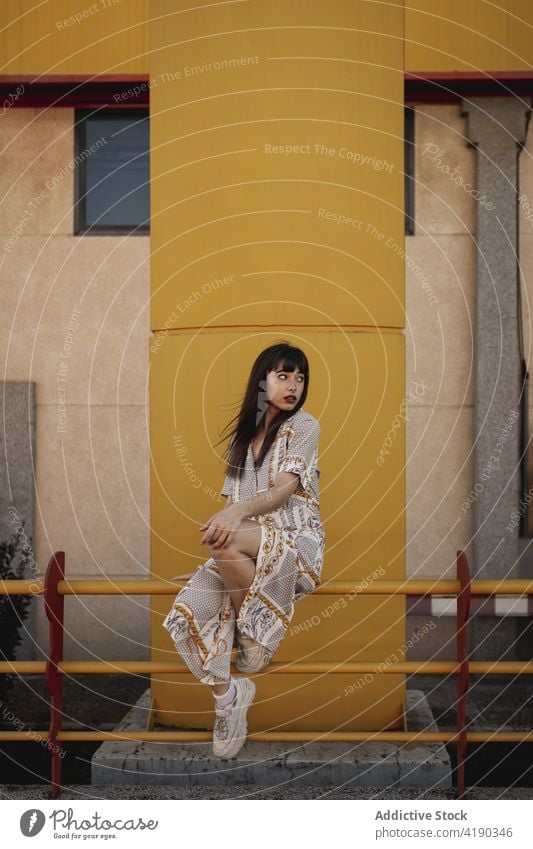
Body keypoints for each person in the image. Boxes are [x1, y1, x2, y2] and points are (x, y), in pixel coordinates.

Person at [162, 341, 326, 759]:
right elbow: (230, 516)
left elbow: (284, 489)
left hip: (296, 544)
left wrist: (234, 519)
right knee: (192, 603)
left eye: (300, 377)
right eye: (284, 375)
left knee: (229, 535)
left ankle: (253, 635)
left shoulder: (304, 426)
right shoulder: (243, 440)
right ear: (262, 381)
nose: (294, 385)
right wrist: (213, 565)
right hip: (248, 550)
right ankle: (229, 698)